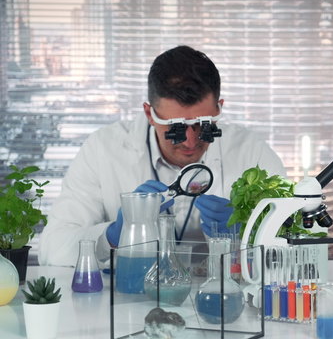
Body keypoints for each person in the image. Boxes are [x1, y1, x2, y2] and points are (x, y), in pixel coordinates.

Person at [39, 45, 286, 266]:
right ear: (149, 114)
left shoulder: (251, 152)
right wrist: (113, 234)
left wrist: (250, 233)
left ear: (219, 108)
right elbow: (52, 248)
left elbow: (298, 241)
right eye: (175, 129)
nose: (190, 140)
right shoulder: (104, 150)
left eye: (204, 125)